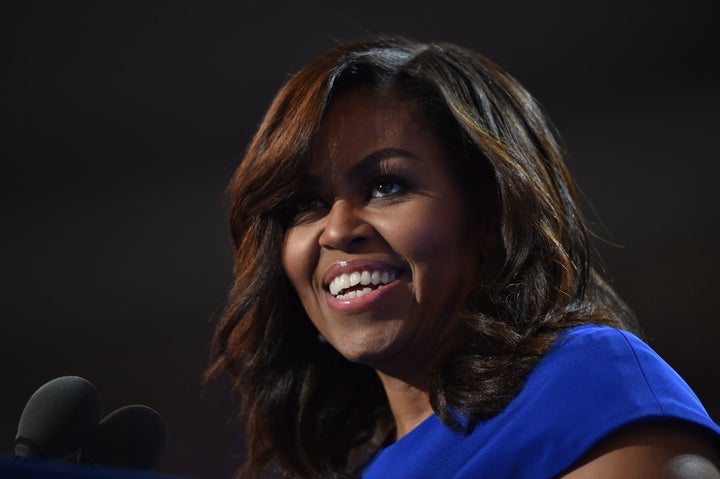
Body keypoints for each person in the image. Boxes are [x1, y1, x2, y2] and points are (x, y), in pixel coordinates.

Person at [207, 36, 720, 478]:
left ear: (489, 214)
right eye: (306, 204)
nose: (337, 229)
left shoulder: (586, 386)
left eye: (386, 185)